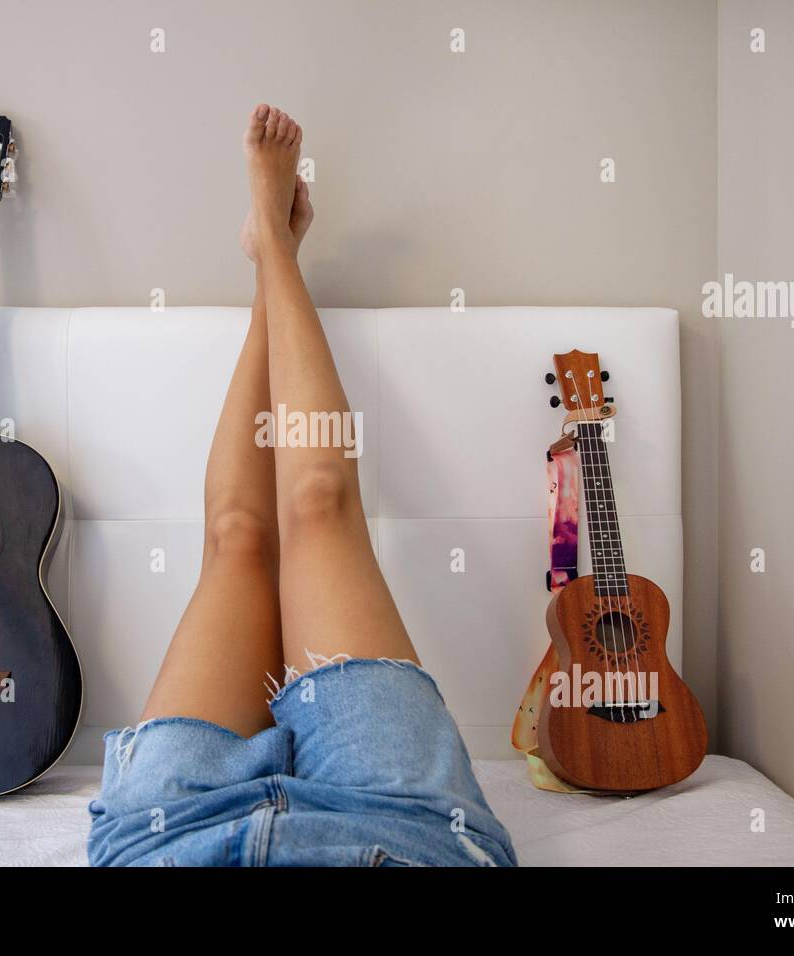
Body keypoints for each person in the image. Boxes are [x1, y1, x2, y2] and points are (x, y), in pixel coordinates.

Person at [87, 105, 517, 867]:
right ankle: (275, 252)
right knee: (320, 506)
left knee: (235, 540)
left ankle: (269, 254)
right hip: (403, 830)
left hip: (170, 840)